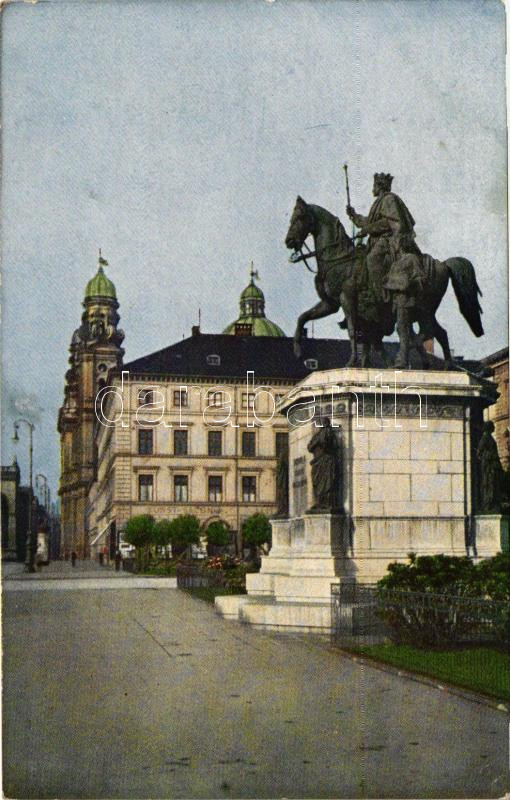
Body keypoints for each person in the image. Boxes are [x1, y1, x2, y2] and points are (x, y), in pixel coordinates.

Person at [346, 172, 419, 303]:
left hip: (389, 240)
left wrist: (367, 230)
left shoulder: (388, 199)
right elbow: (369, 222)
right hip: (378, 240)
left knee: (372, 259)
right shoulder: (379, 202)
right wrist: (354, 216)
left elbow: (389, 222)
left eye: (374, 185)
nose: (372, 188)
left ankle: (383, 298)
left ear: (380, 186)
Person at [382, 232, 425, 368]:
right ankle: (425, 357)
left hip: (406, 300)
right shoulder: (396, 263)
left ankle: (403, 360)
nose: (393, 245)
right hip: (397, 300)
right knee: (407, 330)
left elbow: (420, 278)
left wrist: (407, 284)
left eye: (395, 242)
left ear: (400, 244)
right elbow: (388, 280)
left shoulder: (411, 258)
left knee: (402, 328)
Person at [307, 417, 340, 511]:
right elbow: (309, 447)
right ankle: (320, 502)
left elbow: (333, 446)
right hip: (318, 461)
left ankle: (327, 503)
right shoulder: (318, 435)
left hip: (327, 460)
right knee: (318, 482)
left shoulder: (328, 434)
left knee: (327, 482)